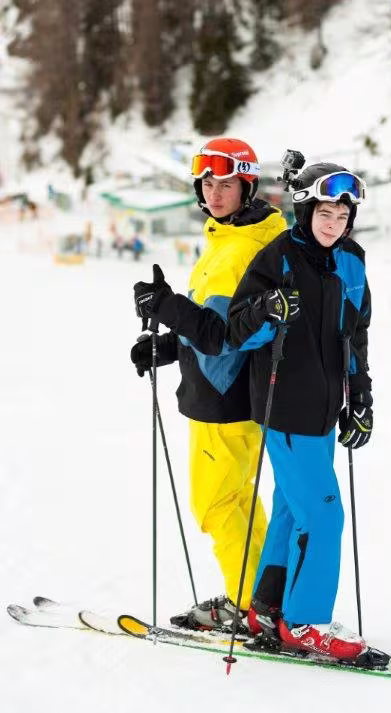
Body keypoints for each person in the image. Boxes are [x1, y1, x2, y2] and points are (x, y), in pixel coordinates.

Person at [130, 138, 287, 630]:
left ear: (247, 186)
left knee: (217, 504)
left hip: (222, 400)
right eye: (207, 183)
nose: (214, 193)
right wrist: (169, 347)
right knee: (238, 501)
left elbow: (220, 338)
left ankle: (247, 609)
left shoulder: (240, 249)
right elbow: (219, 327)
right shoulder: (235, 238)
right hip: (231, 393)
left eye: (226, 184)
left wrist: (166, 307)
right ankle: (261, 598)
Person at [226, 163, 373, 661]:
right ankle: (305, 622)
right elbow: (236, 328)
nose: (334, 223)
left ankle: (267, 606)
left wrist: (361, 398)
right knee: (324, 516)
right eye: (325, 212)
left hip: (327, 409)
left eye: (343, 214)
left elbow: (355, 336)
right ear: (306, 210)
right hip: (285, 407)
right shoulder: (278, 258)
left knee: (293, 509)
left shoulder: (352, 262)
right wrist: (268, 308)